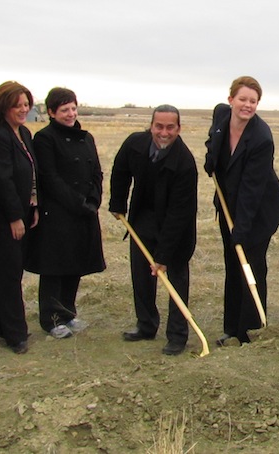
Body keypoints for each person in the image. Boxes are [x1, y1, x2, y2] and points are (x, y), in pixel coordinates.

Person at [109, 105, 197, 356]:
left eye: (170, 127)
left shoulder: (185, 163)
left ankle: (177, 335)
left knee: (176, 279)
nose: (164, 132)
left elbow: (179, 214)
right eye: (159, 126)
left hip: (176, 228)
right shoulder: (135, 144)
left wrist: (163, 257)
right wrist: (118, 203)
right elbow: (120, 170)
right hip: (143, 217)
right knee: (141, 275)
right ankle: (146, 325)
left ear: (178, 129)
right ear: (151, 126)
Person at [204, 76, 279, 346]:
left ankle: (250, 329)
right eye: (243, 99)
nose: (247, 105)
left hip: (258, 212)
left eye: (253, 101)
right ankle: (231, 327)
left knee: (250, 265)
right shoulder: (221, 115)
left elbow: (253, 189)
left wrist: (242, 228)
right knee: (232, 265)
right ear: (231, 100)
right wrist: (210, 158)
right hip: (228, 205)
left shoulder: (261, 138)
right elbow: (213, 140)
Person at [25, 88, 106, 339]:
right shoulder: (45, 139)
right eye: (64, 110)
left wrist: (94, 198)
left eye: (73, 108)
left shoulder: (86, 137)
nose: (70, 114)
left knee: (75, 265)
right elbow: (50, 177)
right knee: (55, 267)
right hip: (58, 214)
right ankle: (51, 319)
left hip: (84, 212)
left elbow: (96, 172)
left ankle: (68, 313)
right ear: (51, 112)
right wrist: (77, 203)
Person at [0, 81, 37, 355]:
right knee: (8, 273)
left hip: (26, 212)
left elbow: (30, 174)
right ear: (3, 106)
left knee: (12, 270)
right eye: (17, 105)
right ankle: (14, 334)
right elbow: (2, 180)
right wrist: (15, 217)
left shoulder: (25, 133)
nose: (23, 109)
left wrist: (34, 206)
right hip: (6, 217)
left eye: (26, 104)